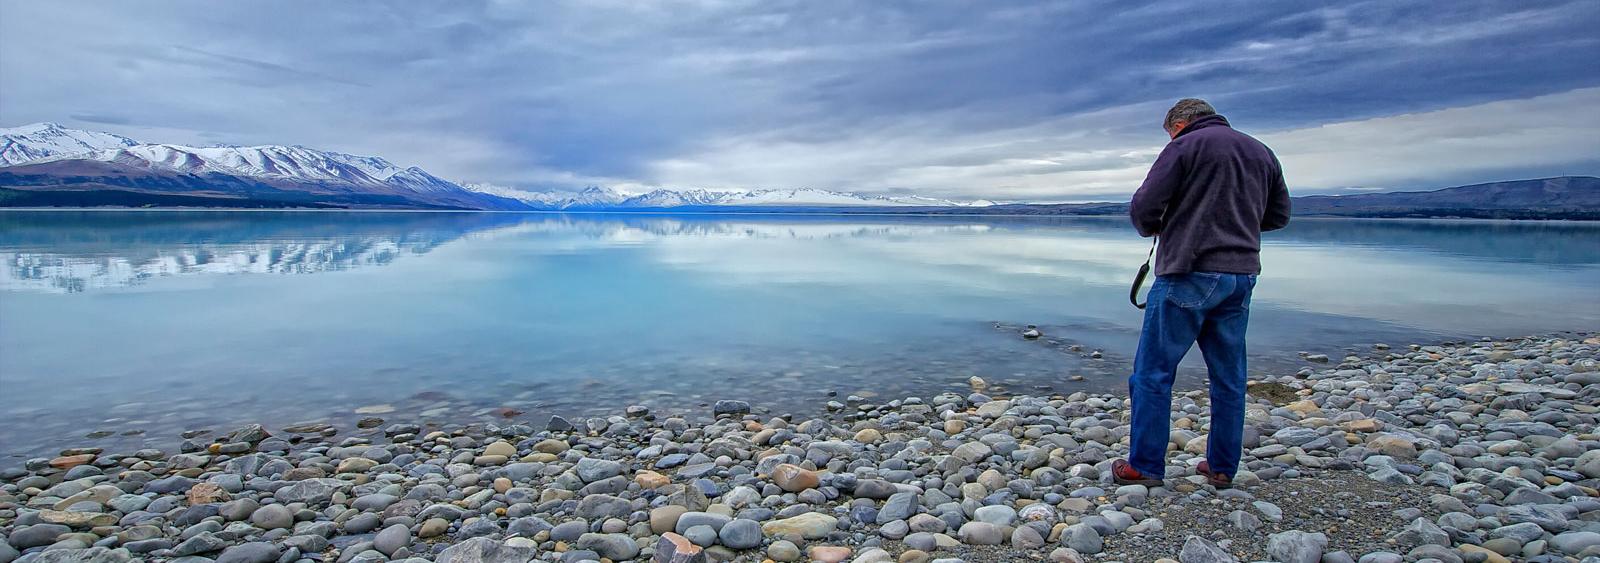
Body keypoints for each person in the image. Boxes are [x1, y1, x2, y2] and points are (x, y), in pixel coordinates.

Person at [1111, 98, 1291, 489]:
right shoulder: (1261, 151)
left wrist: (1162, 226)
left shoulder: (1185, 146)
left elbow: (1144, 206)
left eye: (1168, 132)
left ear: (1177, 124)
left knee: (1152, 373)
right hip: (1241, 276)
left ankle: (1144, 466)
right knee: (1228, 377)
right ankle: (1223, 467)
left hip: (1188, 271)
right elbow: (1277, 217)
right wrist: (1235, 224)